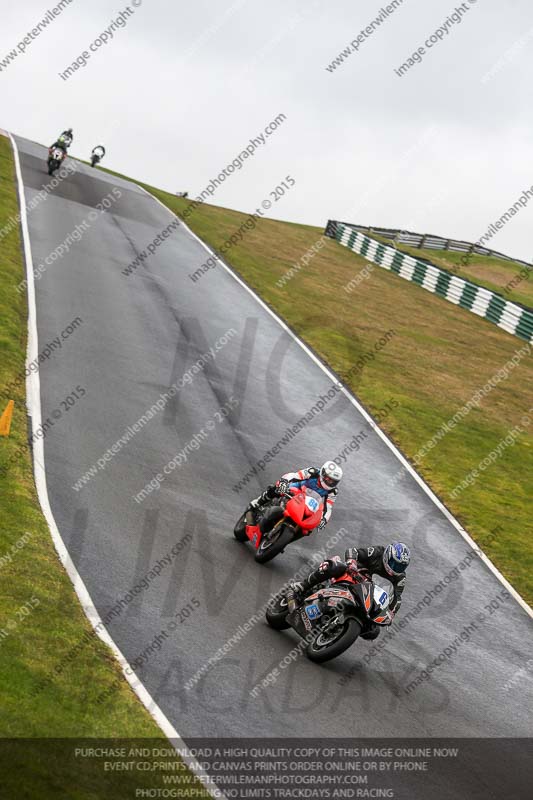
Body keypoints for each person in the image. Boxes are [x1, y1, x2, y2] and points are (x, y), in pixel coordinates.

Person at [291, 542, 410, 639]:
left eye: (400, 567)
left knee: (374, 631)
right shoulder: (378, 552)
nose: (395, 568)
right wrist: (352, 563)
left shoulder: (400, 577)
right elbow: (353, 551)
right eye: (394, 564)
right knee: (336, 565)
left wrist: (391, 613)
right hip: (353, 576)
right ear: (387, 555)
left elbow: (397, 597)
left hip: (369, 596)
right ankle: (303, 586)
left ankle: (339, 631)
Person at [247, 461, 342, 530]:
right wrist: (284, 482)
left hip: (309, 504)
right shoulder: (313, 472)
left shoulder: (333, 491)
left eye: (333, 481)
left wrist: (324, 520)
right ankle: (258, 502)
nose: (330, 482)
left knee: (308, 529)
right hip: (297, 489)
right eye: (328, 479)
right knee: (277, 488)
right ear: (323, 473)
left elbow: (328, 507)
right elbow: (295, 475)